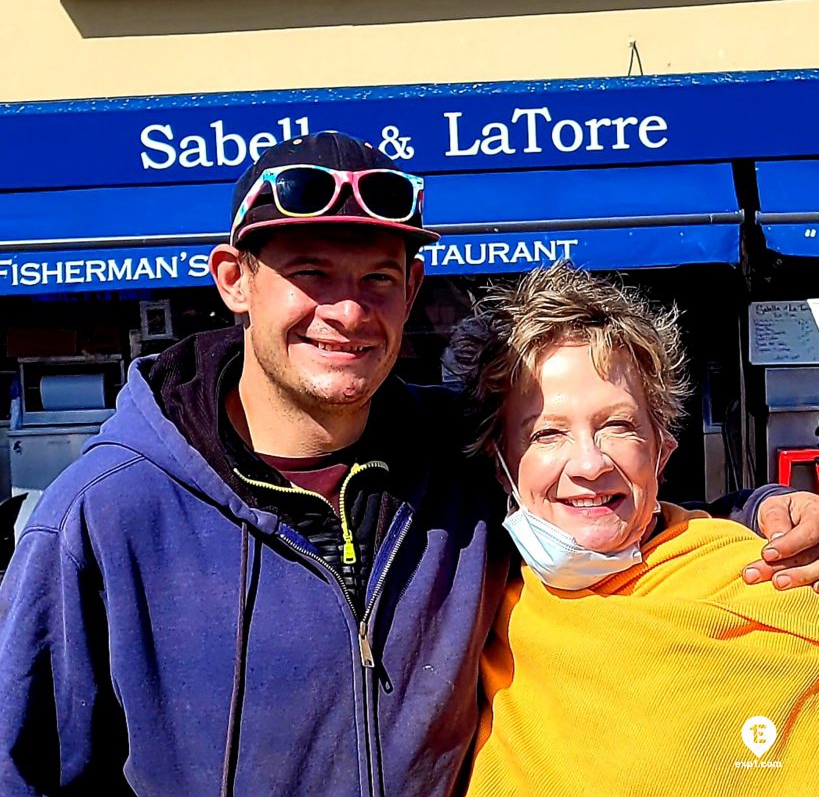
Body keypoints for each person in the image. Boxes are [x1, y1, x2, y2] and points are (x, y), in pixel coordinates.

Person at [0, 133, 817, 797]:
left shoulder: (458, 455)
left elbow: (607, 498)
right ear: (233, 281)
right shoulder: (104, 514)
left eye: (377, 280)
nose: (348, 311)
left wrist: (766, 513)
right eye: (310, 275)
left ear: (414, 286)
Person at [447, 265, 818, 797]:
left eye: (617, 426)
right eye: (547, 433)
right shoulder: (478, 604)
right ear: (501, 461)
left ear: (661, 449)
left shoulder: (771, 578)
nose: (589, 464)